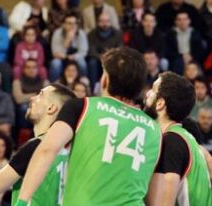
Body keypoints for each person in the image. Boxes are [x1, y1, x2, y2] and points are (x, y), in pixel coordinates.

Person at [16, 48, 161, 205]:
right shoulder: (154, 129)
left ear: (105, 80)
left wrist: (22, 202)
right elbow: (154, 193)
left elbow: (47, 150)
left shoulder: (82, 107)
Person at [0, 84, 76, 206]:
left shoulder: (35, 147)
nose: (32, 98)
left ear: (51, 108)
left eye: (40, 95)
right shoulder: (71, 149)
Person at [144, 72, 212, 206]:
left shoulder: (170, 141)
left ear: (160, 103)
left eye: (153, 90)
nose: (147, 94)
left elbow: (162, 204)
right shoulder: (185, 137)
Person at [49, 11, 88, 81]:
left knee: (82, 63)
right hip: (62, 59)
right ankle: (53, 86)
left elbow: (83, 52)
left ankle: (83, 84)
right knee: (55, 63)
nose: (72, 26)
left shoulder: (81, 34)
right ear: (64, 24)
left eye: (74, 23)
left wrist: (74, 57)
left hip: (75, 57)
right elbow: (55, 53)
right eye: (69, 23)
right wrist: (67, 40)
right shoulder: (57, 33)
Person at [165, 11, 207, 75]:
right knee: (178, 63)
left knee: (196, 66)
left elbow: (200, 50)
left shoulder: (195, 33)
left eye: (185, 19)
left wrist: (191, 56)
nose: (182, 22)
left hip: (193, 57)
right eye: (179, 20)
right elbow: (168, 51)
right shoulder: (170, 34)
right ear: (176, 22)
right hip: (177, 59)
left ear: (189, 21)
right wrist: (182, 56)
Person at [86, 11, 123, 84]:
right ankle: (92, 88)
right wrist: (102, 57)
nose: (105, 24)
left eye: (107, 21)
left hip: (112, 58)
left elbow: (119, 49)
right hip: (97, 58)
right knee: (92, 62)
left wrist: (110, 56)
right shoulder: (92, 34)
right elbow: (91, 50)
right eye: (102, 21)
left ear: (110, 22)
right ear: (98, 22)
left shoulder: (118, 33)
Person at [12, 59, 47, 128]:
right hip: (24, 109)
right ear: (24, 69)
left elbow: (47, 97)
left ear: (37, 69)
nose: (31, 70)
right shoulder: (17, 82)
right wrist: (37, 94)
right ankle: (24, 131)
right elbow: (19, 99)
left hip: (40, 107)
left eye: (34, 67)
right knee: (23, 108)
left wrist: (27, 97)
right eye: (28, 67)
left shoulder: (44, 82)